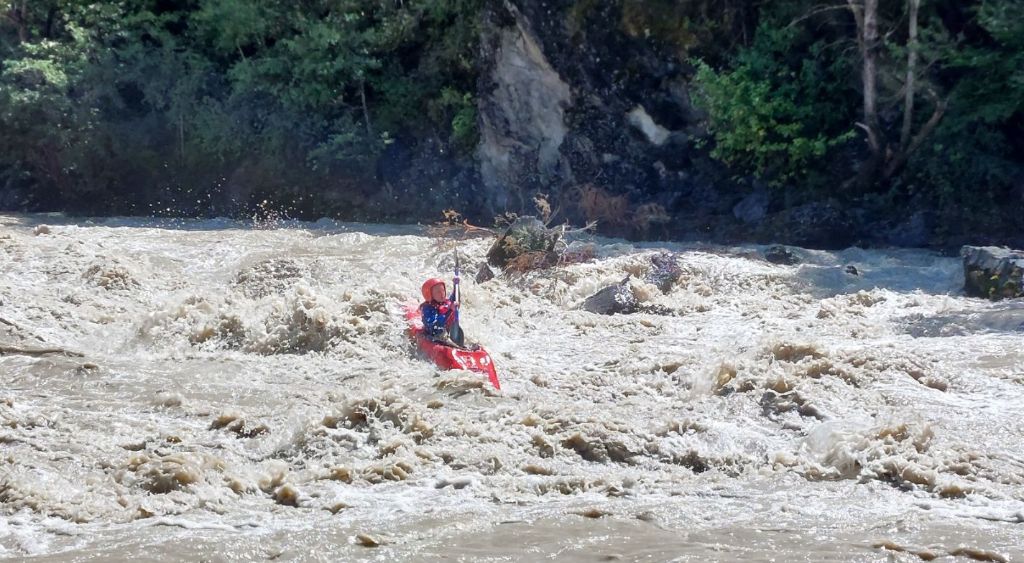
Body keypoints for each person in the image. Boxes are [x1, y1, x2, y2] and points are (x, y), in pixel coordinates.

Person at [419, 276, 475, 349]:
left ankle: (466, 348)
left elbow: (455, 299)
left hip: (448, 331)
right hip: (434, 336)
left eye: (443, 290)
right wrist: (450, 310)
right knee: (446, 340)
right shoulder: (427, 309)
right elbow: (435, 326)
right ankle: (459, 348)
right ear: (429, 295)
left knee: (469, 343)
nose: (442, 294)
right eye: (438, 292)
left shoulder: (446, 302)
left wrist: (456, 286)